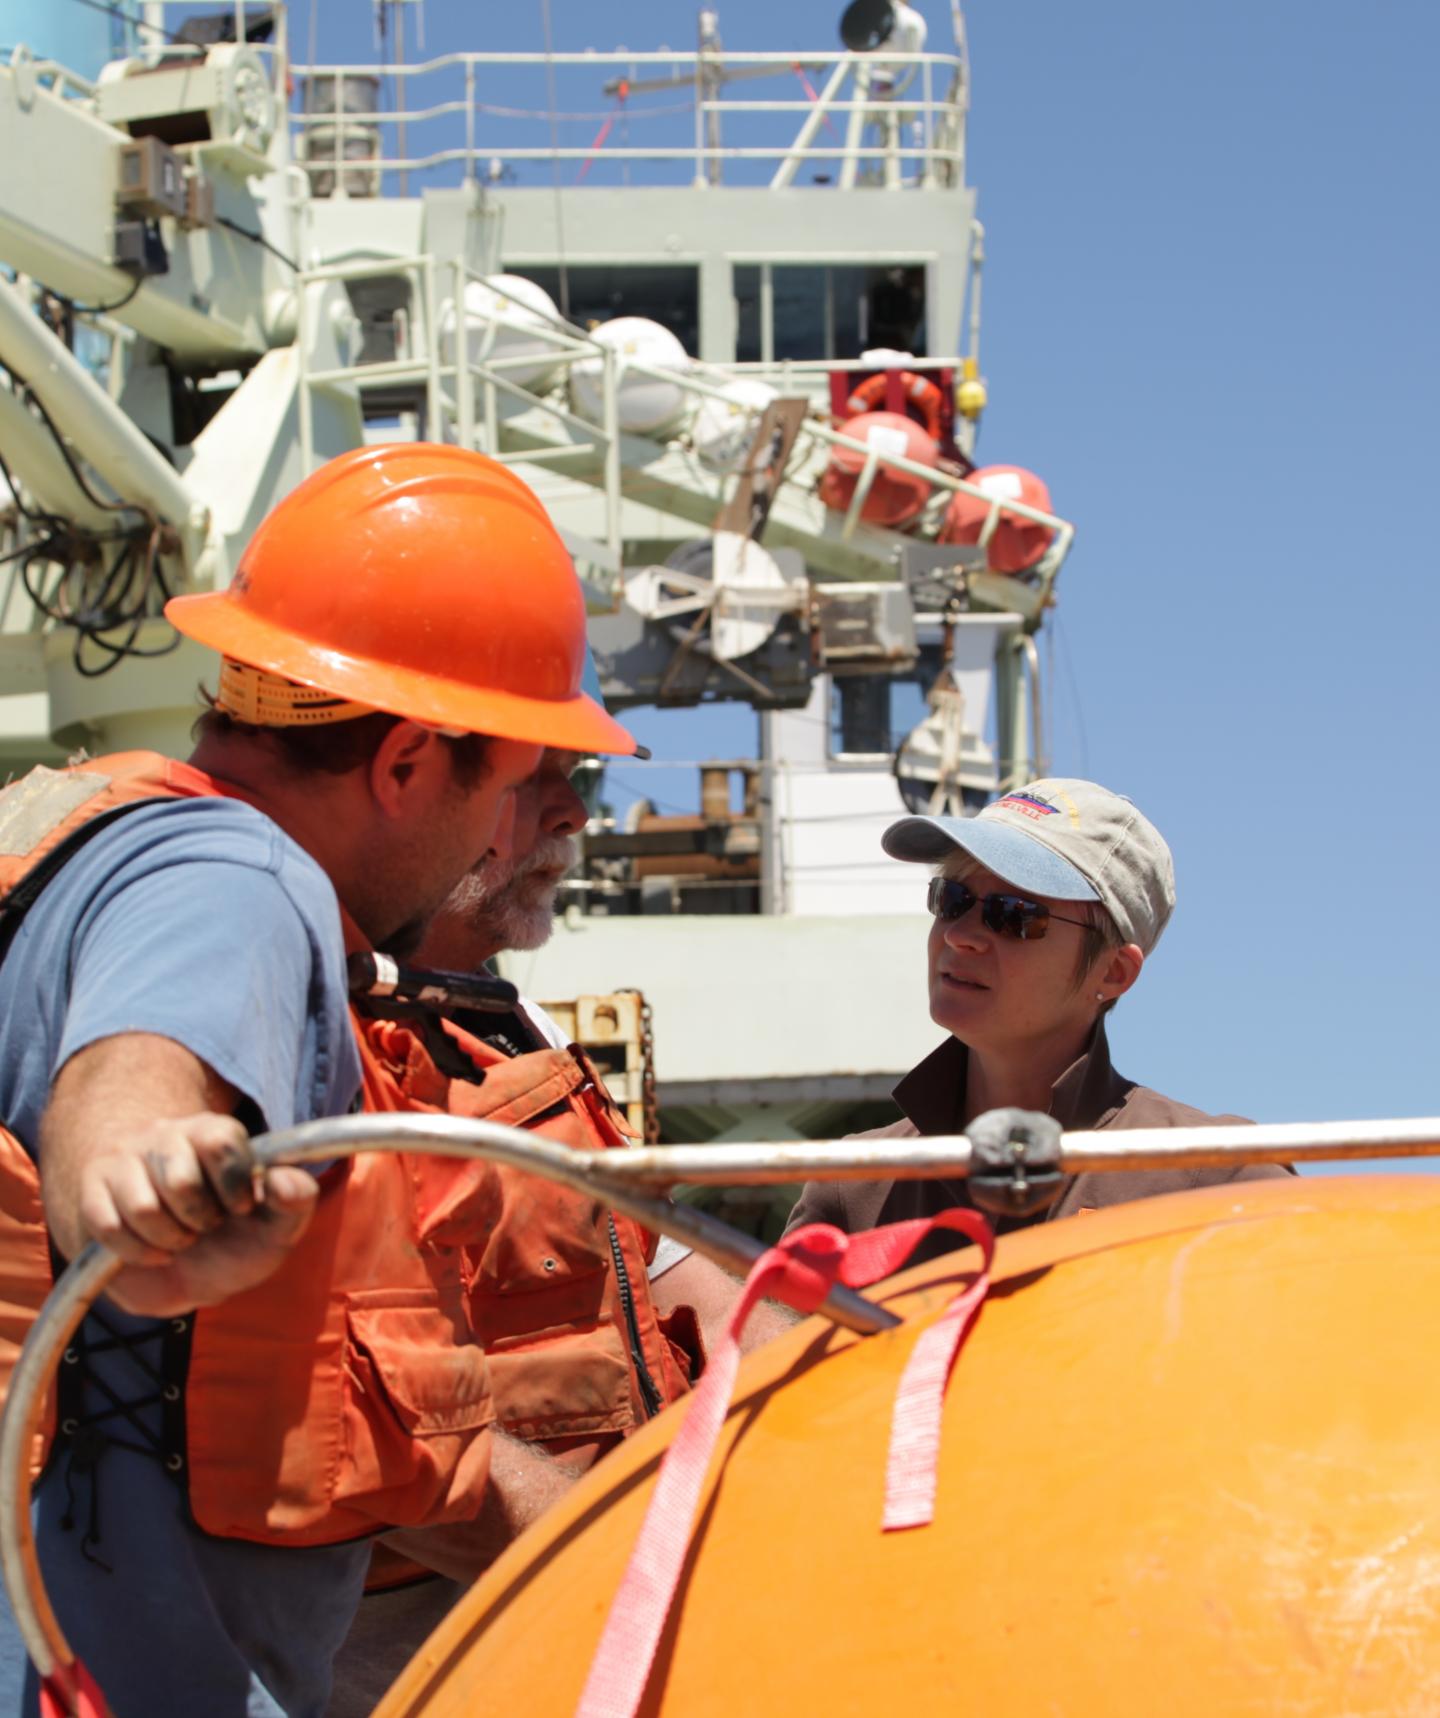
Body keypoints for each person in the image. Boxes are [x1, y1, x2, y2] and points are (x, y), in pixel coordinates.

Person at [0, 443, 642, 1718]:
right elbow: (128, 1089)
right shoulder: (242, 881)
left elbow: (395, 1444)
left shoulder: (79, 822)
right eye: (510, 785)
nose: (512, 833)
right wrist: (143, 1175)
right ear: (408, 762)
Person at [327, 744, 794, 1714]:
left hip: (579, 1614)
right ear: (412, 777)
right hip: (425, 1656)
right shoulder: (323, 1024)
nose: (572, 813)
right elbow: (364, 1432)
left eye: (578, 779)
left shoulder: (507, 1015)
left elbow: (668, 1268)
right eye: (535, 777)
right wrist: (643, 1569)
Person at [786, 779, 1290, 1261]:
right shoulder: (854, 1183)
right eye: (952, 899)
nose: (961, 935)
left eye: (1015, 915)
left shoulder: (1212, 1176)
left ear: (1113, 971)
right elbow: (766, 1348)